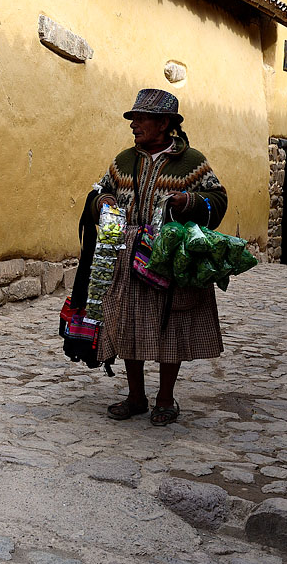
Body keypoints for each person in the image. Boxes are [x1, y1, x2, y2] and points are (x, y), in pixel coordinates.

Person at [95, 88, 229, 426]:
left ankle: (166, 398)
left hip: (172, 255)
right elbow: (100, 190)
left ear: (164, 123)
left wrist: (190, 202)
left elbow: (218, 198)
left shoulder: (191, 161)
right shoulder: (124, 160)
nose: (134, 124)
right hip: (129, 254)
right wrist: (104, 203)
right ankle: (136, 396)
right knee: (129, 324)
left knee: (172, 325)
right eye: (133, 118)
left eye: (141, 118)